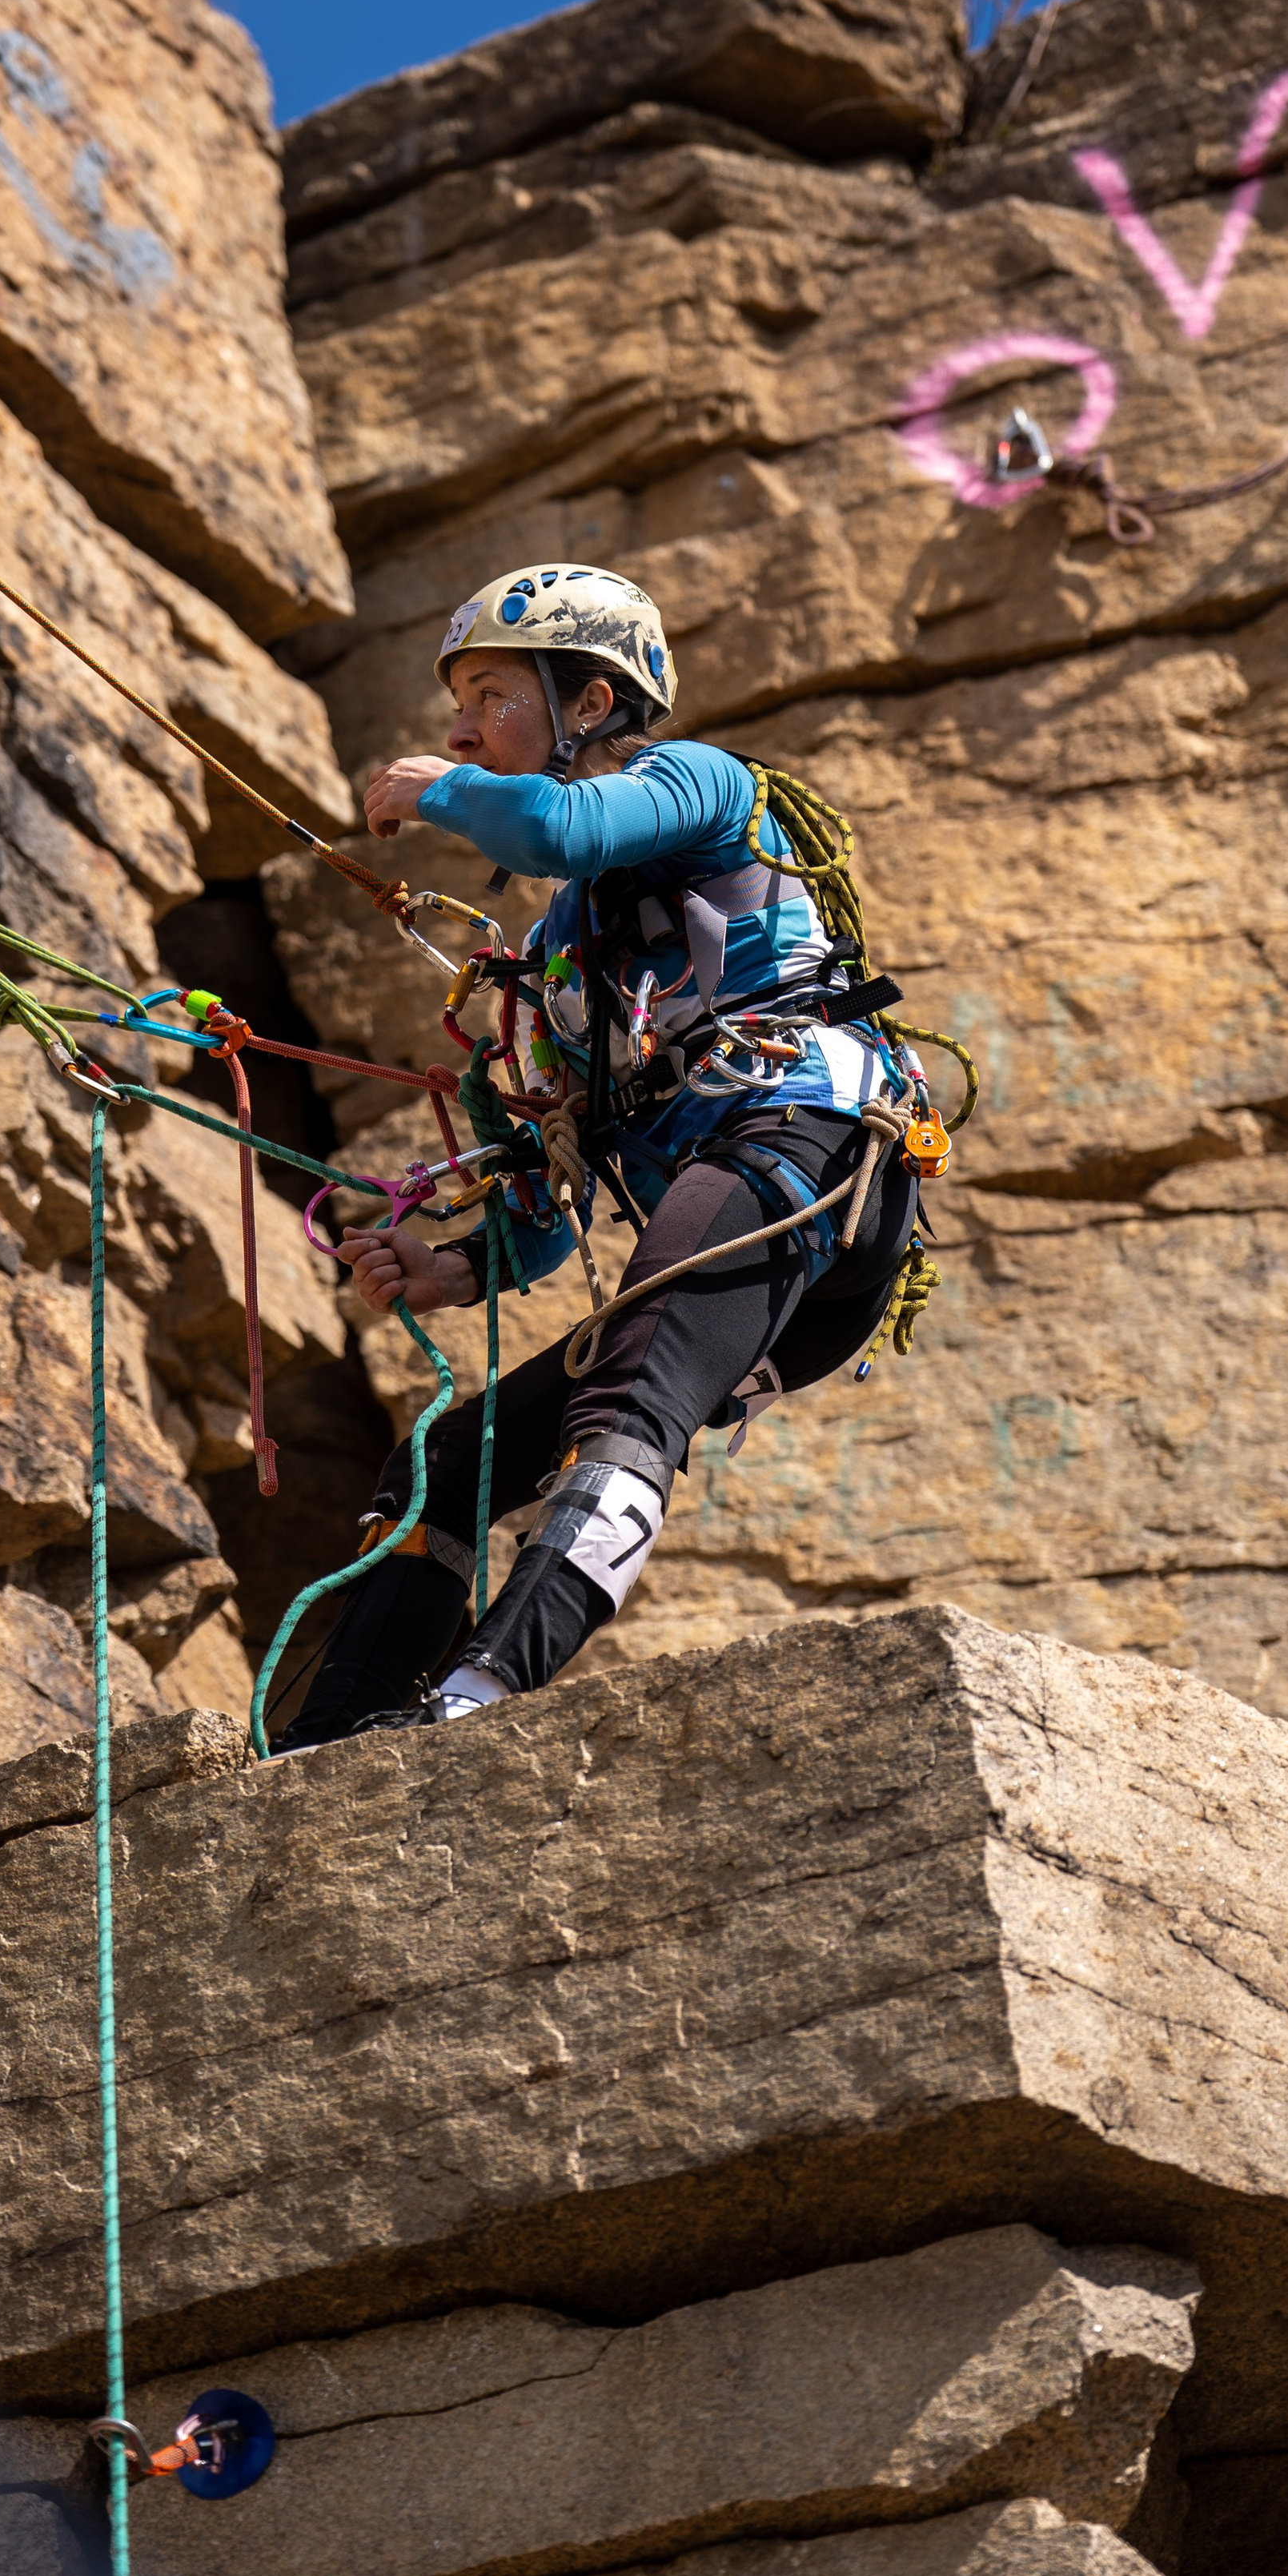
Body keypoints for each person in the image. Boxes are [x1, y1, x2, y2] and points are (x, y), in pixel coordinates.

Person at [270, 564, 926, 1749]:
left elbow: (565, 826)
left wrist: (444, 788)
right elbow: (564, 1159)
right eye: (459, 705)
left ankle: (475, 1699)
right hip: (744, 1194)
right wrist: (460, 1270)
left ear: (589, 705)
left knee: (628, 1388)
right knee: (449, 1457)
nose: (463, 727)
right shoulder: (566, 952)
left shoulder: (700, 785)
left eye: (493, 695)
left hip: (808, 1143)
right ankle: (331, 1736)